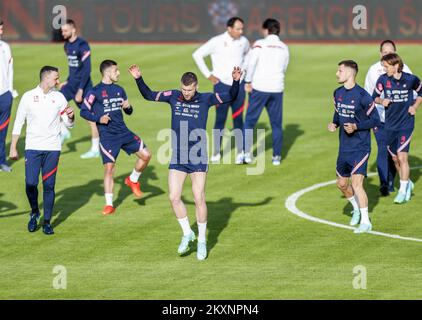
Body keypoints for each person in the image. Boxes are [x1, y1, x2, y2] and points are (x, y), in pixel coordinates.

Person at [129, 64, 241, 260]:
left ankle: (202, 242)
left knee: (199, 197)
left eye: (189, 90)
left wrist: (236, 81)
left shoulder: (206, 98)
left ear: (196, 87)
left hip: (197, 156)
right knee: (174, 197)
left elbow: (230, 96)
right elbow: (149, 95)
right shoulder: (173, 96)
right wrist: (138, 78)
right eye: (184, 89)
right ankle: (187, 233)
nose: (186, 93)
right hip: (179, 155)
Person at [9, 66, 75, 235]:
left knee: (49, 185)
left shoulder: (59, 97)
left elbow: (68, 123)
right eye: (56, 78)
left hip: (53, 148)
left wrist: (71, 117)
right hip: (32, 148)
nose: (58, 81)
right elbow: (18, 122)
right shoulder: (28, 97)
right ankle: (34, 212)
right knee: (30, 183)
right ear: (46, 79)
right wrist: (13, 146)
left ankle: (47, 222)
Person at [80, 60, 151, 215]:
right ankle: (109, 205)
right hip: (108, 136)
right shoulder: (94, 91)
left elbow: (129, 111)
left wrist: (128, 107)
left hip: (124, 132)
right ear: (107, 73)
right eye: (116, 71)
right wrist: (99, 118)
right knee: (110, 169)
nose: (118, 73)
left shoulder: (120, 90)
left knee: (146, 155)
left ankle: (132, 180)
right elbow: (83, 111)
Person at [328, 60, 380, 234]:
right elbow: (338, 112)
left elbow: (375, 120)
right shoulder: (337, 93)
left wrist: (357, 126)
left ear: (350, 73)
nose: (337, 73)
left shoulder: (363, 96)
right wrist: (334, 124)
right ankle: (356, 209)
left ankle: (366, 222)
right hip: (344, 147)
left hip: (360, 146)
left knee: (357, 184)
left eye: (340, 70)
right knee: (342, 184)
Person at [192, 17, 249, 164]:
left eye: (242, 28)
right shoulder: (216, 41)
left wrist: (246, 74)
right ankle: (217, 152)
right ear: (229, 28)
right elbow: (197, 55)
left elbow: (248, 56)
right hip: (221, 86)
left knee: (238, 119)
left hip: (239, 86)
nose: (240, 31)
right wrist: (208, 75)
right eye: (238, 28)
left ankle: (241, 153)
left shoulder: (244, 41)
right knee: (220, 119)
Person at [364, 40, 413, 196]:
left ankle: (398, 181)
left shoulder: (405, 71)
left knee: (395, 154)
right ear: (380, 54)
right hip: (379, 117)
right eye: (385, 52)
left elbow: (413, 93)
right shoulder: (373, 71)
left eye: (391, 51)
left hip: (399, 119)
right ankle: (385, 183)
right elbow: (368, 96)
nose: (388, 54)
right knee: (382, 149)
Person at [372, 53, 422, 204]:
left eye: (386, 67)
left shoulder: (411, 79)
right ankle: (407, 183)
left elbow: (420, 92)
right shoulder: (383, 80)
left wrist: (415, 106)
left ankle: (402, 190)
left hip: (406, 124)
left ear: (395, 65)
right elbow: (374, 96)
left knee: (402, 157)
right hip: (389, 125)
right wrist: (382, 100)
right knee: (395, 158)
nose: (384, 69)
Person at [243, 18, 289, 166]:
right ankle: (276, 156)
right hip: (277, 88)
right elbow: (284, 67)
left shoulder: (260, 44)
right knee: (276, 124)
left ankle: (247, 154)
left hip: (260, 88)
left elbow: (251, 64)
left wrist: (248, 81)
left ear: (265, 30)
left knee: (250, 121)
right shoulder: (284, 47)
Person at [60, 19, 99, 158]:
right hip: (71, 84)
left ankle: (95, 149)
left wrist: (81, 89)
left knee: (90, 118)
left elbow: (86, 69)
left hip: (84, 86)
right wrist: (66, 81)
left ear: (73, 29)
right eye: (62, 30)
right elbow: (73, 69)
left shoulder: (83, 45)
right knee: (54, 102)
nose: (63, 33)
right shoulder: (66, 46)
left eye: (65, 30)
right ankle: (64, 131)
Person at [0, 19, 18, 172]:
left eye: (1, 29)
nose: (1, 31)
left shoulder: (5, 47)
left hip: (5, 95)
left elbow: (10, 70)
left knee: (3, 131)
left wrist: (10, 91)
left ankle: (2, 162)